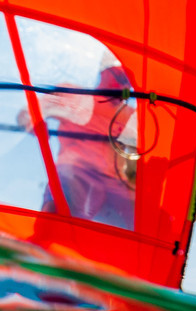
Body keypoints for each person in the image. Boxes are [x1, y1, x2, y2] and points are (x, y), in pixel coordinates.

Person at [35, 61, 138, 231]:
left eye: (129, 80)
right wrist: (34, 121)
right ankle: (48, 237)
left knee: (148, 221)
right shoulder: (73, 95)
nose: (125, 83)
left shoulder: (131, 116)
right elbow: (30, 112)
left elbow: (143, 155)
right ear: (104, 71)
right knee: (62, 211)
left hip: (114, 185)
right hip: (76, 172)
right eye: (120, 76)